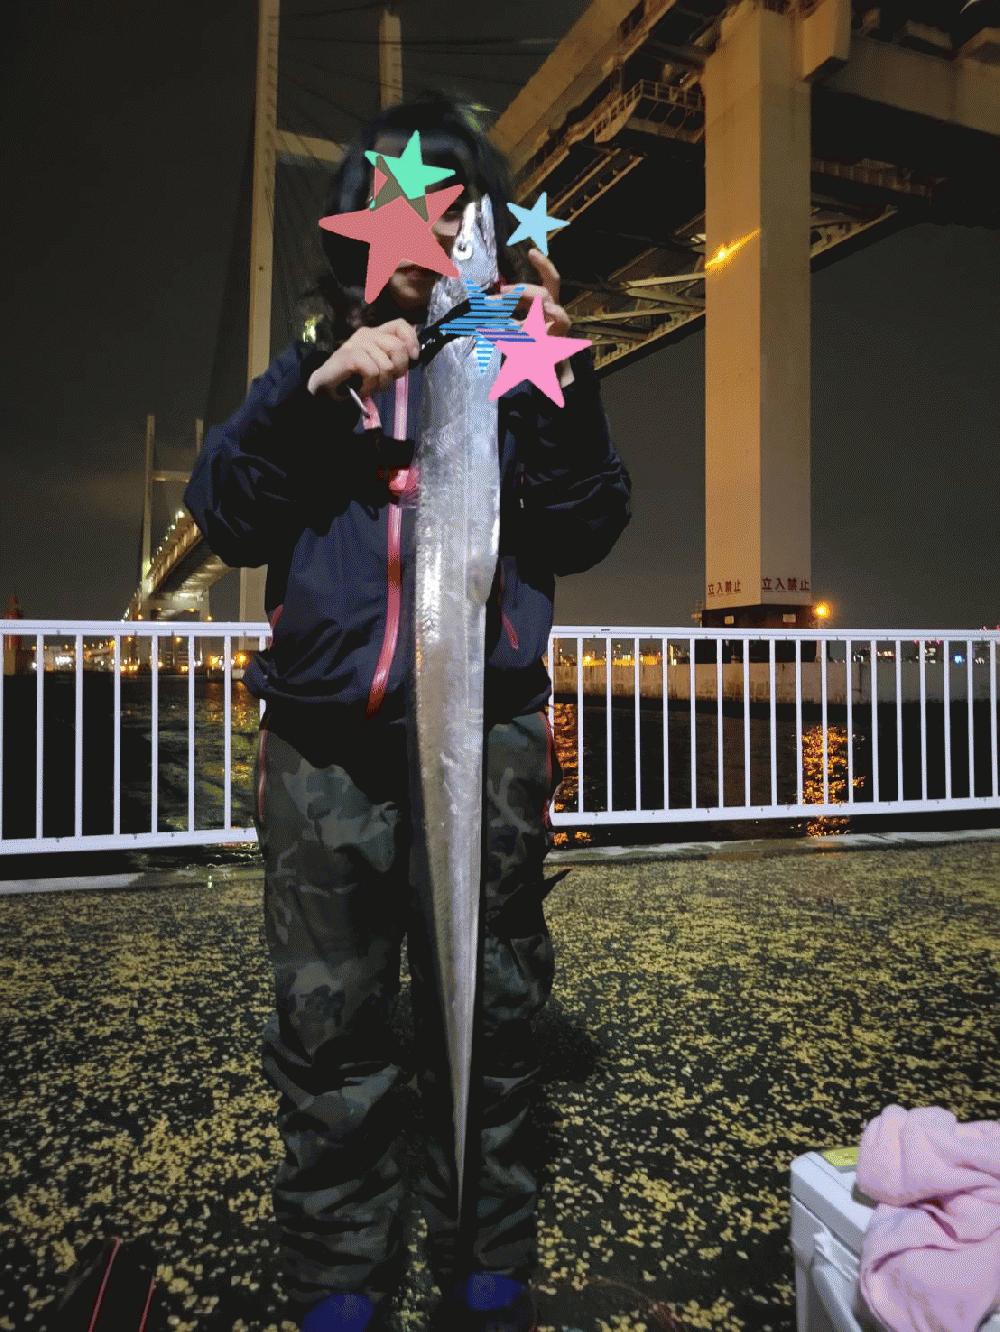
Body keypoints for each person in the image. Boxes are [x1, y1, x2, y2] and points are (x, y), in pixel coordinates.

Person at [183, 92, 632, 1332]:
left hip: (485, 733)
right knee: (329, 1016)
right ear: (358, 224)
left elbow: (587, 525)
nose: (430, 224)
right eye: (400, 198)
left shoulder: (515, 356)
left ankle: (485, 1234)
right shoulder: (318, 359)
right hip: (324, 741)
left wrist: (561, 374)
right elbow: (224, 513)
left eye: (454, 201)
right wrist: (308, 390)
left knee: (494, 995)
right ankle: (342, 1263)